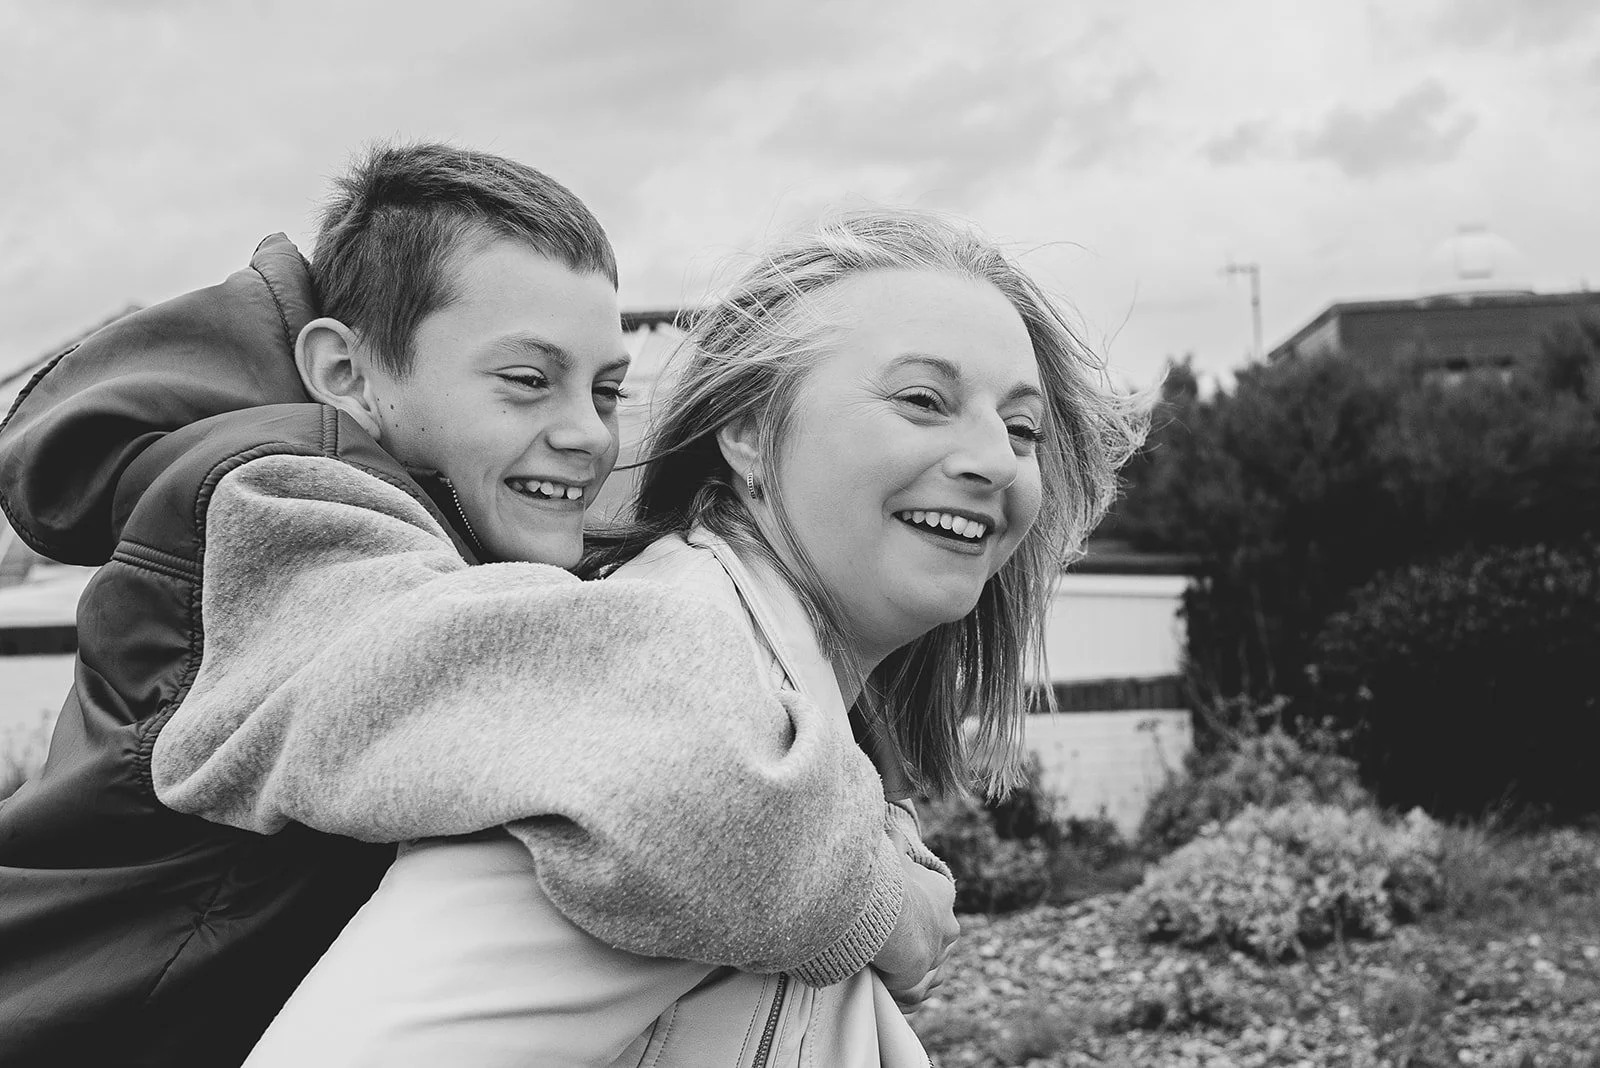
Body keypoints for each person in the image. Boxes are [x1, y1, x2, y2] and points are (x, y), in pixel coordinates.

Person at [0, 145, 952, 1068]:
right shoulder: (277, 512)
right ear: (346, 373)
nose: (586, 434)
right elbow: (670, 768)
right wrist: (880, 901)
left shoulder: (435, 519)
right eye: (528, 381)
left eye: (607, 389)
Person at [243, 208, 1151, 1066]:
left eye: (1021, 427)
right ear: (751, 433)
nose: (995, 458)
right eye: (922, 399)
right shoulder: (684, 689)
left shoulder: (777, 709)